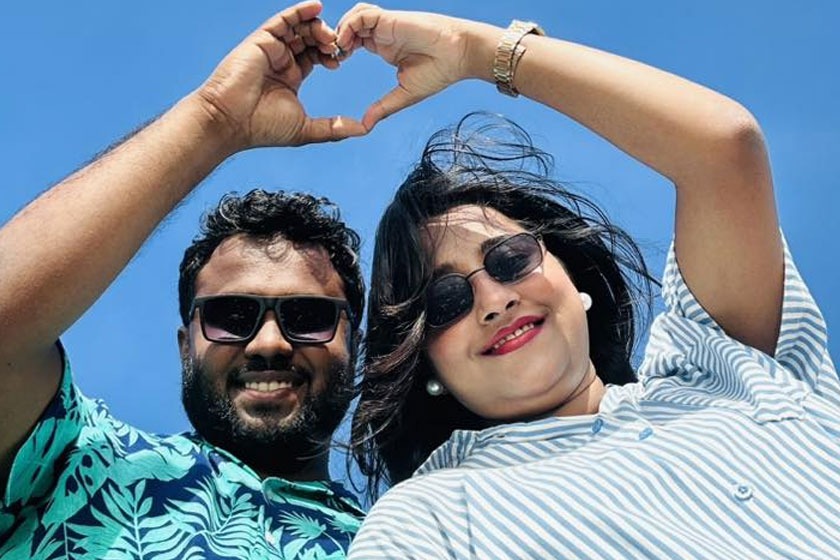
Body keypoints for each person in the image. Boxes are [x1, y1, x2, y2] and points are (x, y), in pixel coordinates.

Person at [339, 5, 840, 558]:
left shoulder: (719, 368)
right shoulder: (432, 518)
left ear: (573, 277)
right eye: (446, 300)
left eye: (510, 259)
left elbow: (724, 148)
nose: (494, 299)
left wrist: (475, 52)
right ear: (427, 365)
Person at [0, 2, 371, 558]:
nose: (269, 343)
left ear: (354, 345)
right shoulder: (78, 464)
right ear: (185, 346)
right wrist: (215, 119)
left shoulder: (403, 539)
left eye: (308, 316)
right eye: (232, 316)